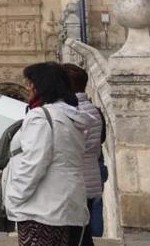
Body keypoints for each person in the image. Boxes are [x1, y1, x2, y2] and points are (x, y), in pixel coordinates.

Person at [2, 62, 96, 246]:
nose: (28, 88)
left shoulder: (41, 117)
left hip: (41, 210)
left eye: (30, 83)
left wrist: (14, 198)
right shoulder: (69, 116)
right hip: (67, 206)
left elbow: (33, 164)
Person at [61, 64, 104, 246]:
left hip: (79, 182)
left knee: (76, 237)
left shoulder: (78, 112)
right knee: (82, 235)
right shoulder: (91, 109)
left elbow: (72, 148)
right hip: (88, 179)